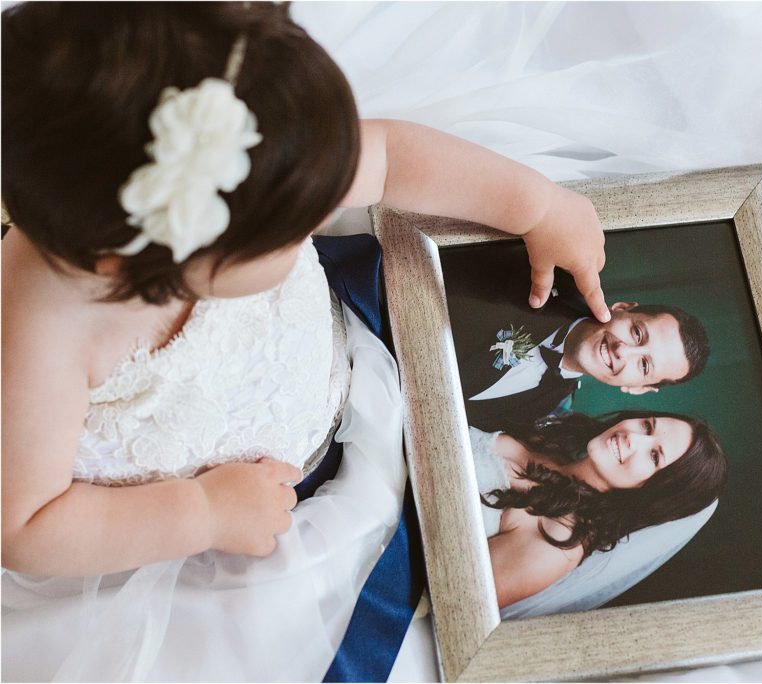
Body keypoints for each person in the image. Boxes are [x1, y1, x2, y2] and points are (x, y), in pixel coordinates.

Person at [0, 3, 609, 680]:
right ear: (155, 259)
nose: (316, 217)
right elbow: (25, 525)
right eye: (291, 234)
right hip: (199, 527)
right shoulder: (41, 331)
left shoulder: (264, 158)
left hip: (338, 379)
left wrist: (539, 206)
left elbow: (391, 156)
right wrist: (200, 512)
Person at [468, 411, 727, 612]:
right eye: (647, 426)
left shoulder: (557, 542)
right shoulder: (551, 444)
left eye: (654, 456)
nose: (633, 437)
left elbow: (460, 595)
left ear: (654, 493)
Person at [443, 245, 711, 431]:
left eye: (643, 365)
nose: (623, 351)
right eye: (637, 333)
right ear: (622, 308)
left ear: (638, 388)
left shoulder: (548, 409)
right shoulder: (545, 272)